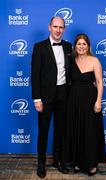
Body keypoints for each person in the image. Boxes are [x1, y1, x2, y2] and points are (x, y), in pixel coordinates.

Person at [31, 16, 72, 178]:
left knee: (60, 130)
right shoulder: (39, 47)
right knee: (43, 131)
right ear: (49, 27)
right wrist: (37, 98)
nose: (58, 30)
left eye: (61, 27)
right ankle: (41, 164)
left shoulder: (68, 46)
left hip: (64, 94)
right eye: (55, 26)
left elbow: (73, 70)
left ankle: (58, 160)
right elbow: (35, 75)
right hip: (45, 97)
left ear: (64, 29)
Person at [61, 33, 106, 176]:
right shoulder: (71, 60)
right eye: (79, 44)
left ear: (88, 46)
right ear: (75, 46)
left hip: (90, 100)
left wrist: (98, 101)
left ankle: (92, 163)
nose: (81, 46)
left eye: (84, 44)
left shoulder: (95, 61)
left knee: (90, 131)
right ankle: (78, 162)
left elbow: (99, 82)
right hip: (73, 100)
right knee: (76, 130)